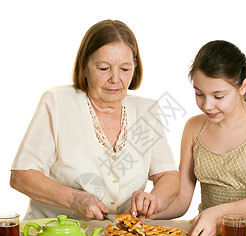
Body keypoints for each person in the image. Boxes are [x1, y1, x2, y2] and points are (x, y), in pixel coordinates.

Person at [10, 20, 179, 221]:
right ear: (84, 68)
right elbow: (21, 176)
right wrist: (73, 198)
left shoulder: (146, 111)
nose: (115, 79)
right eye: (104, 68)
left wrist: (154, 200)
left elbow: (169, 176)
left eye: (125, 69)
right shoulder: (57, 102)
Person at [152, 40, 246, 236]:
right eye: (199, 94)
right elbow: (181, 200)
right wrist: (146, 213)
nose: (207, 105)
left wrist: (218, 213)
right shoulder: (193, 127)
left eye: (218, 96)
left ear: (243, 86)